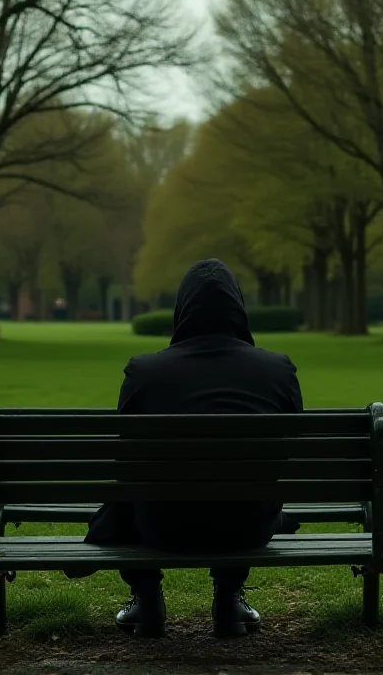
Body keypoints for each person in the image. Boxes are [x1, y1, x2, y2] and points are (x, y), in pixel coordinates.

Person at [85, 259, 303, 638]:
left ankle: (147, 599)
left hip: (162, 527)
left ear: (181, 308)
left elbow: (126, 464)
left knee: (131, 491)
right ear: (238, 306)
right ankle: (228, 599)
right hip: (248, 526)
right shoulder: (276, 370)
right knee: (243, 488)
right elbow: (294, 449)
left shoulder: (144, 372)